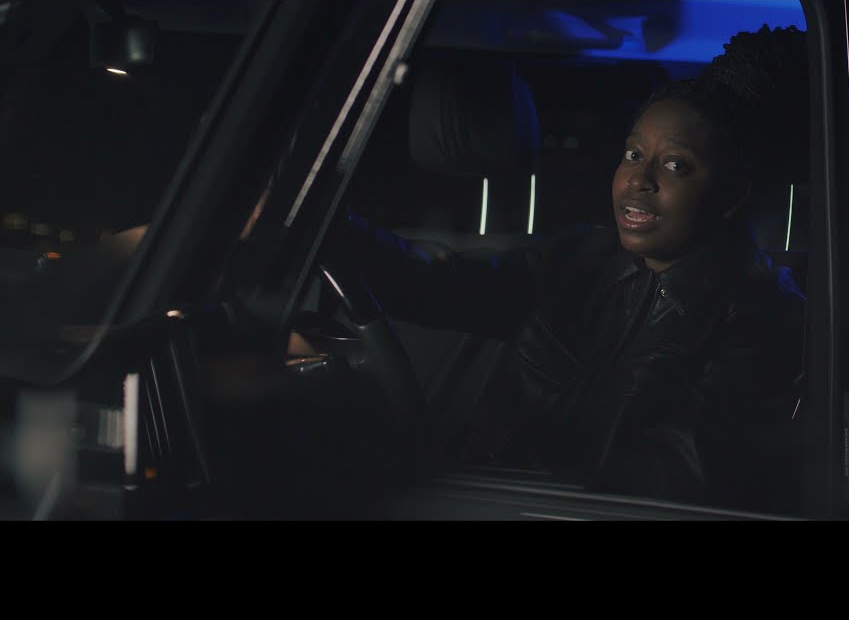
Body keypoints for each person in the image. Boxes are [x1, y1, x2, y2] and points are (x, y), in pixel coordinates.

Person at [226, 25, 810, 516]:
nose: (638, 179)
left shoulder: (767, 318)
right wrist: (300, 218)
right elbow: (432, 286)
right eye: (633, 154)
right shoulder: (581, 259)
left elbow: (670, 478)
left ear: (734, 195)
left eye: (676, 165)